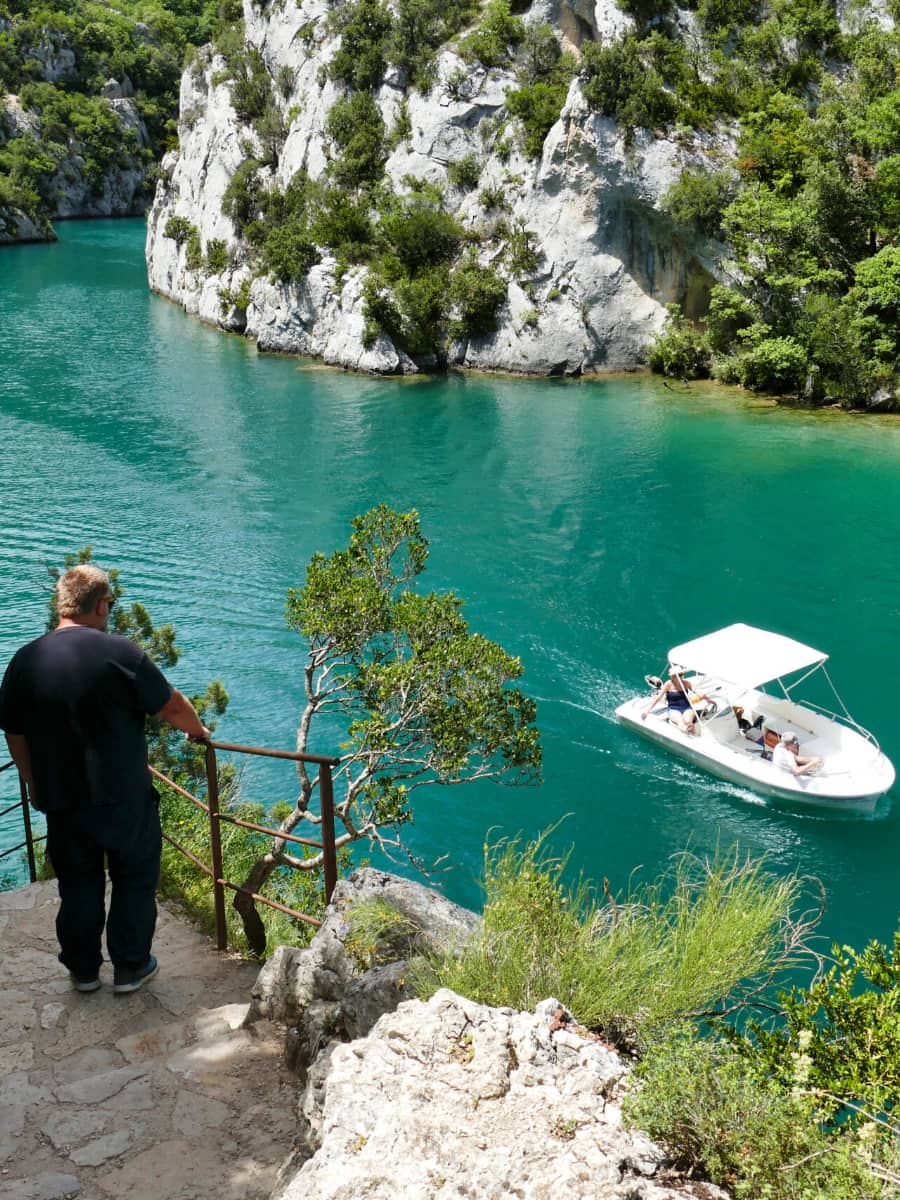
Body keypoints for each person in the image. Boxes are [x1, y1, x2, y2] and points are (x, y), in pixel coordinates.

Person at [0, 565, 210, 995]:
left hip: (62, 798)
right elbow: (170, 705)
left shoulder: (26, 659)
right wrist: (198, 731)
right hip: (124, 798)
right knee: (134, 879)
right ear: (100, 604)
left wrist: (33, 782)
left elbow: (13, 731)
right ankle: (131, 967)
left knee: (78, 884)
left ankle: (83, 971)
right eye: (109, 604)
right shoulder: (122, 653)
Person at [641, 667, 709, 737]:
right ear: (673, 677)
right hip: (673, 708)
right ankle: (686, 730)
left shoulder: (685, 683)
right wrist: (647, 711)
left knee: (689, 721)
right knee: (680, 721)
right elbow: (658, 698)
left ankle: (694, 734)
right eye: (678, 675)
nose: (680, 677)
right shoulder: (668, 684)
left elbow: (696, 691)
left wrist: (707, 698)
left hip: (685, 708)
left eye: (681, 675)